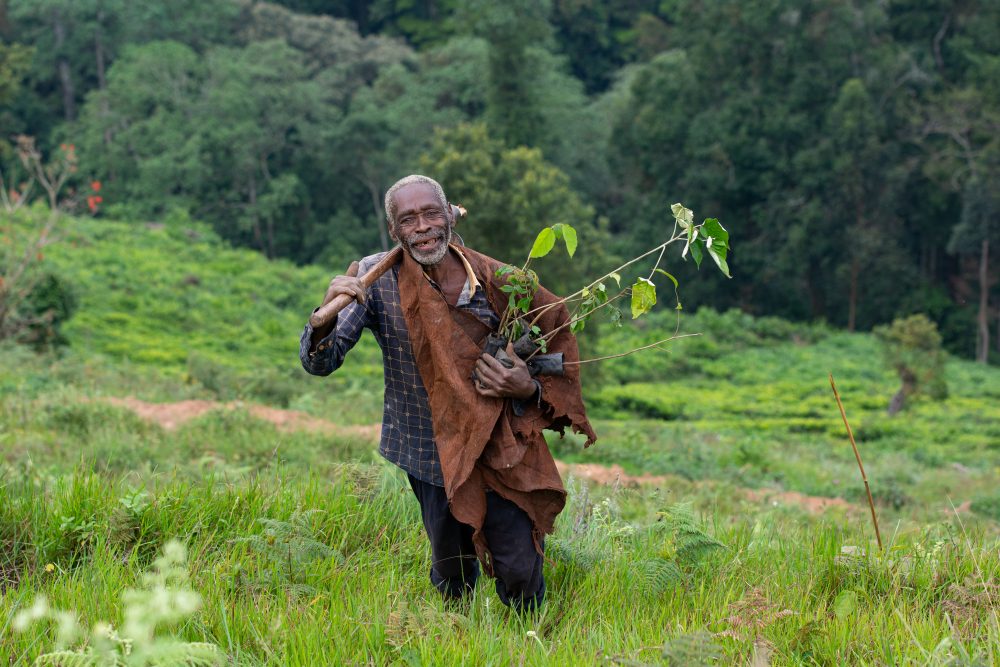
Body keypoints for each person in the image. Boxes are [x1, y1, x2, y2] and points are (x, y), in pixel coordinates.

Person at [299, 174, 595, 612]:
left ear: (449, 217)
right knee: (452, 571)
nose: (422, 227)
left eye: (431, 214)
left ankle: (529, 641)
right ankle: (457, 641)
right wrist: (322, 319)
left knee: (519, 568)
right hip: (428, 448)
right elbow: (320, 363)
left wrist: (525, 385)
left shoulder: (501, 281)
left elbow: (553, 355)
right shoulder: (373, 279)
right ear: (394, 231)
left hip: (501, 446)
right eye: (408, 220)